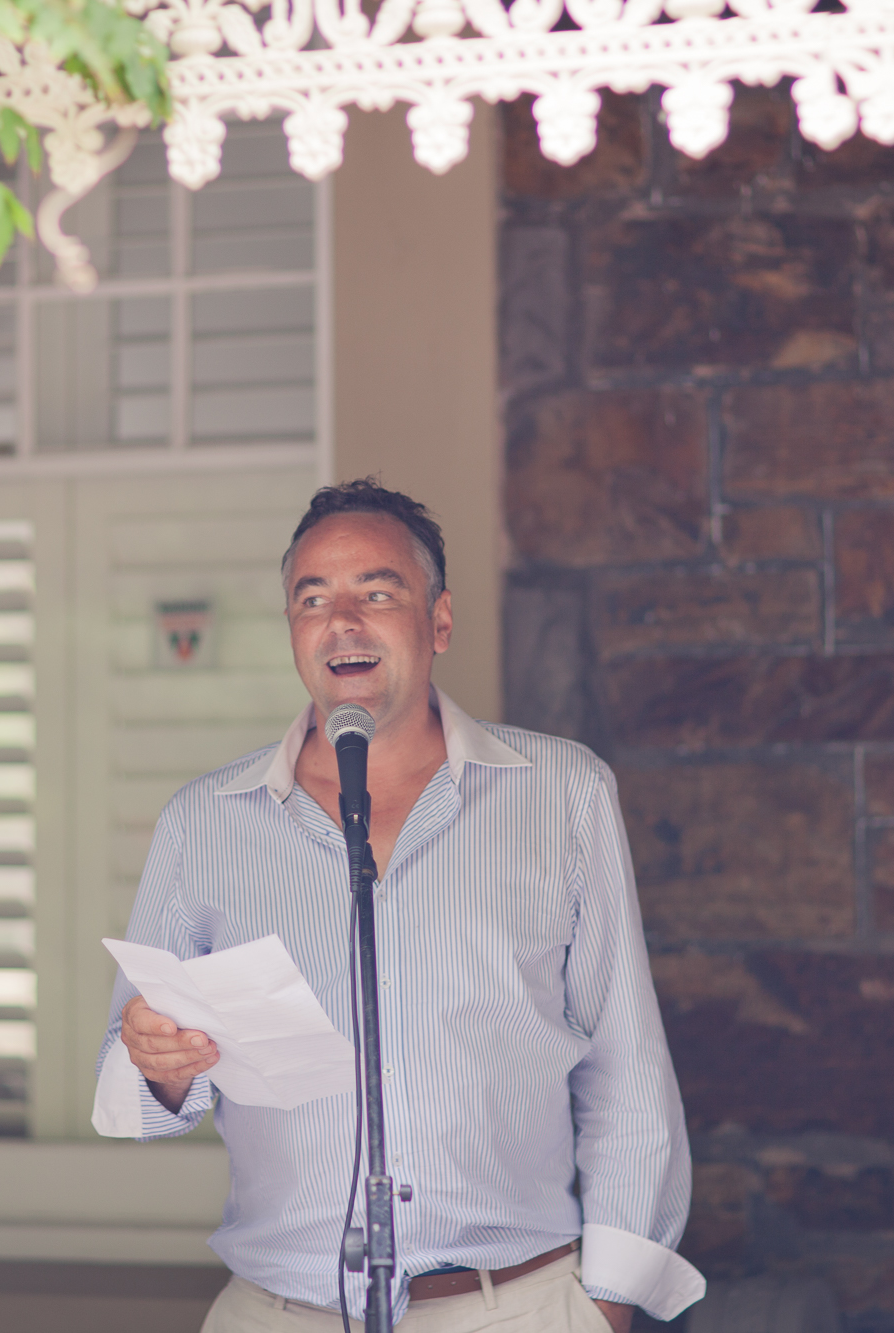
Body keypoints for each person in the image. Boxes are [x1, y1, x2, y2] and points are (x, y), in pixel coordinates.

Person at [93, 479, 701, 1332]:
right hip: (280, 1311)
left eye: (377, 593)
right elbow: (128, 1092)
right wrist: (158, 1060)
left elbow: (625, 1064)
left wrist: (609, 1302)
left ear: (439, 620)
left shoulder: (563, 793)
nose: (342, 621)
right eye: (313, 598)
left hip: (514, 1306)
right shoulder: (203, 823)